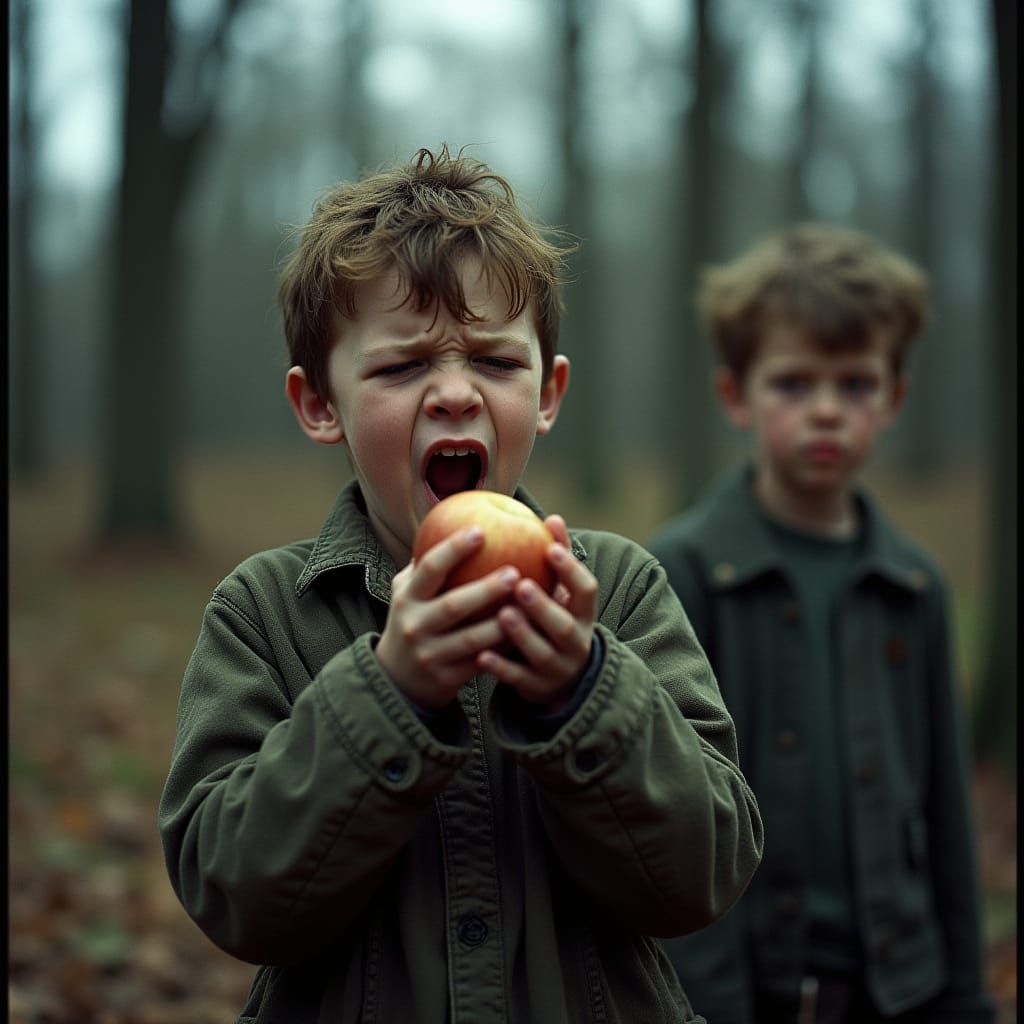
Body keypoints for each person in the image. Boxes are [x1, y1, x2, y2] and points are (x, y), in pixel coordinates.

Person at [158, 145, 763, 1024]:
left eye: (495, 362)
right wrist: (388, 695)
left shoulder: (622, 591)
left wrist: (581, 693)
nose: (453, 394)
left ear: (549, 392)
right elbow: (234, 893)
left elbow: (703, 876)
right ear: (319, 404)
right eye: (401, 368)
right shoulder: (264, 613)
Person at [648, 223, 995, 1024]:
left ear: (895, 397)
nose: (828, 412)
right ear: (735, 394)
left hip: (901, 992)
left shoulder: (914, 585)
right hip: (745, 995)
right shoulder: (685, 570)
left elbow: (945, 812)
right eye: (795, 385)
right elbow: (670, 821)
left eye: (856, 385)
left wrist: (965, 998)